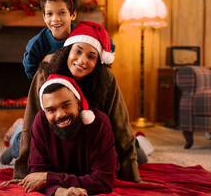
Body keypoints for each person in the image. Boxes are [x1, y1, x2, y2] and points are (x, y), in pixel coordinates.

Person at [14, 21, 141, 183]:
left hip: (91, 148)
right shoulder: (45, 74)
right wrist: (23, 174)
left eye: (91, 56)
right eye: (78, 51)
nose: (82, 60)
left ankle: (142, 141)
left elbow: (120, 126)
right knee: (19, 141)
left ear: (98, 61)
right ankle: (13, 136)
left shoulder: (106, 79)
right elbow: (33, 120)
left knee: (138, 150)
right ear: (68, 50)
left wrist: (132, 175)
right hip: (54, 145)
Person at [20, 74, 117, 195]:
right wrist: (61, 192)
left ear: (78, 103)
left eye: (66, 105)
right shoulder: (40, 122)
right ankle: (17, 129)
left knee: (140, 151)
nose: (60, 115)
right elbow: (36, 176)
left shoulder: (100, 125)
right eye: (51, 110)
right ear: (44, 112)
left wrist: (49, 178)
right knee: (18, 142)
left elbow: (103, 183)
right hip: (28, 137)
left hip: (111, 148)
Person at [23, 0, 115, 79]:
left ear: (73, 15)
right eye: (49, 14)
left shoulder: (84, 34)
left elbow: (109, 46)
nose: (55, 19)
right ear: (44, 17)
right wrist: (46, 61)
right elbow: (30, 71)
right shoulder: (37, 44)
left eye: (62, 13)